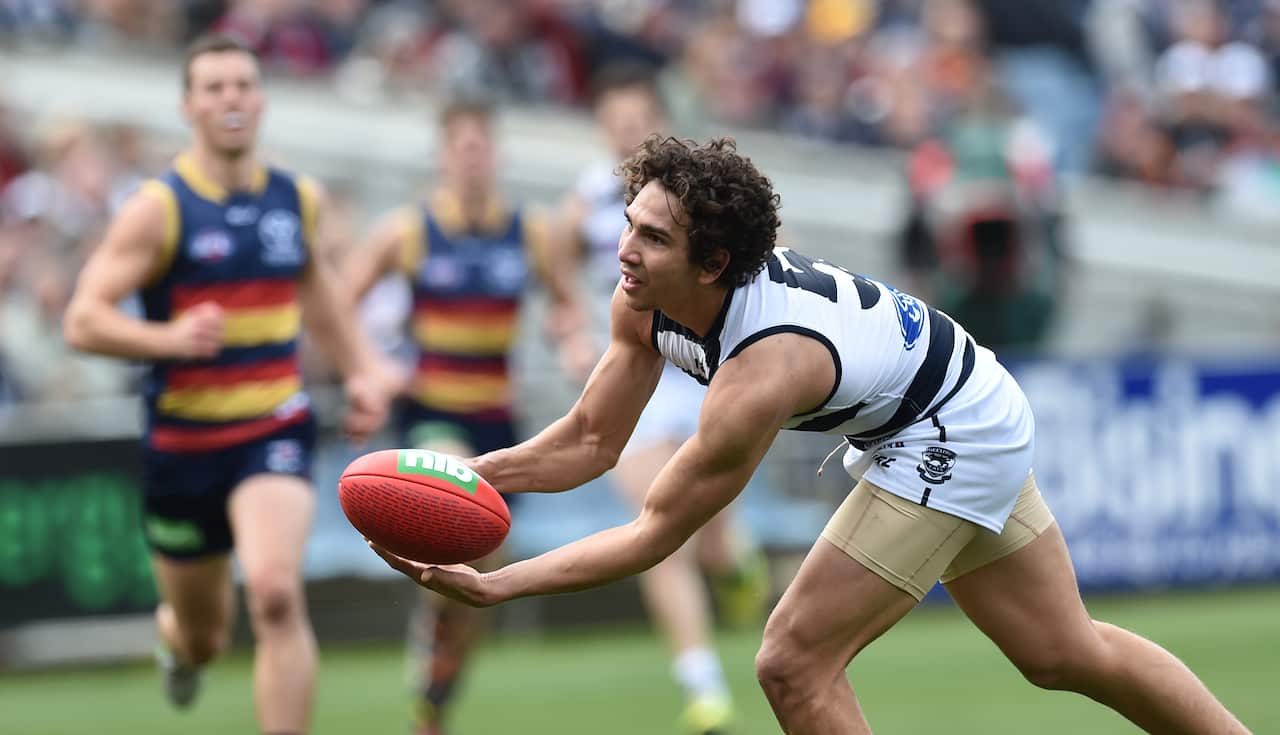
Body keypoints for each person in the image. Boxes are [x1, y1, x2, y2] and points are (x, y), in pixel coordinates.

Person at [371, 136, 1250, 735]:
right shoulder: (645, 299)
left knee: (793, 661)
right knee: (1064, 653)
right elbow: (591, 442)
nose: (624, 250)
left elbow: (652, 533)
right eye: (628, 223)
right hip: (963, 396)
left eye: (651, 237)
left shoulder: (765, 366)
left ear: (711, 264)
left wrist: (499, 587)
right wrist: (467, 472)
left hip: (953, 429)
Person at [63, 33, 393, 735]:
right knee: (205, 634)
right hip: (183, 447)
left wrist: (363, 369)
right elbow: (83, 320)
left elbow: (320, 292)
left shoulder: (296, 199)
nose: (231, 99)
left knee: (274, 593)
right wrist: (168, 340)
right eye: (214, 88)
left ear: (262, 99)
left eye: (243, 85)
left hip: (273, 427)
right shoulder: (160, 208)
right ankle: (177, 642)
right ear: (188, 106)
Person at [343, 98, 583, 735]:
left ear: (495, 155)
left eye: (482, 147)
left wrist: (572, 340)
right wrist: (374, 366)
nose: (472, 159)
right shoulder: (408, 231)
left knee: (488, 571)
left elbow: (565, 305)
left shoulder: (531, 231)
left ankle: (439, 681)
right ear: (444, 155)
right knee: (453, 503)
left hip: (497, 418)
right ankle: (434, 642)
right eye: (461, 148)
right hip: (432, 413)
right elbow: (338, 305)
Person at [551, 63, 767, 734]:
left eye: (638, 120)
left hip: (702, 372)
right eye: (616, 123)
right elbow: (560, 290)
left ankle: (736, 566)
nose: (627, 133)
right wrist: (571, 337)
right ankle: (702, 686)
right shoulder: (581, 207)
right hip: (633, 372)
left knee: (711, 539)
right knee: (659, 524)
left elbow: (764, 261)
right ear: (600, 128)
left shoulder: (700, 200)